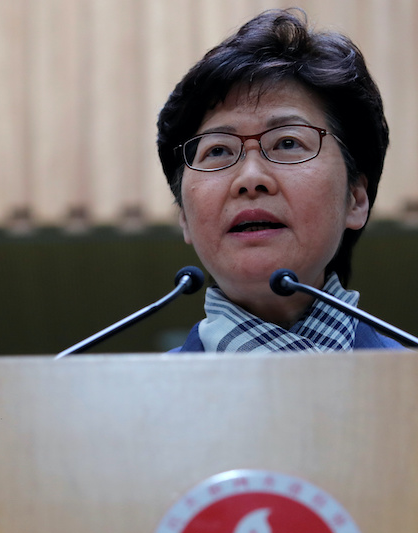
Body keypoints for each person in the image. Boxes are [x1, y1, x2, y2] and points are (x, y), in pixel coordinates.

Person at [157, 9, 402, 353]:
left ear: (355, 199)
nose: (251, 178)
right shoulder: (138, 403)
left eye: (287, 143)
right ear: (184, 215)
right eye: (217, 151)